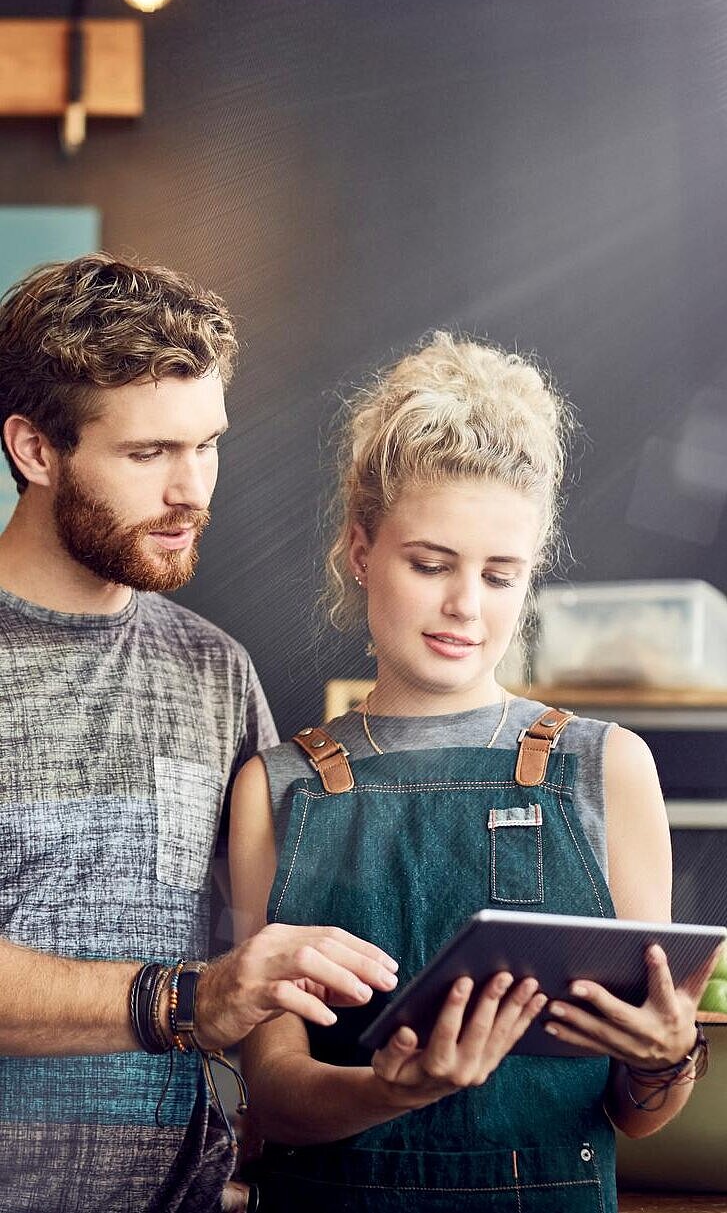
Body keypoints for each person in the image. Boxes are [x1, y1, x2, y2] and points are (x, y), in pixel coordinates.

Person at [230, 332, 717, 1212]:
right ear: (359, 548)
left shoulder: (608, 768)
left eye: (501, 575)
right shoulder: (277, 786)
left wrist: (666, 1055)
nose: (466, 605)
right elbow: (272, 1091)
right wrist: (391, 1090)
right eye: (431, 563)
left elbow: (637, 1114)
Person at [0, 253, 398, 1213]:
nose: (192, 491)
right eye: (148, 454)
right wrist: (185, 999)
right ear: (36, 450)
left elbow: (257, 942)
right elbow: (210, 986)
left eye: (206, 444)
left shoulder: (214, 668)